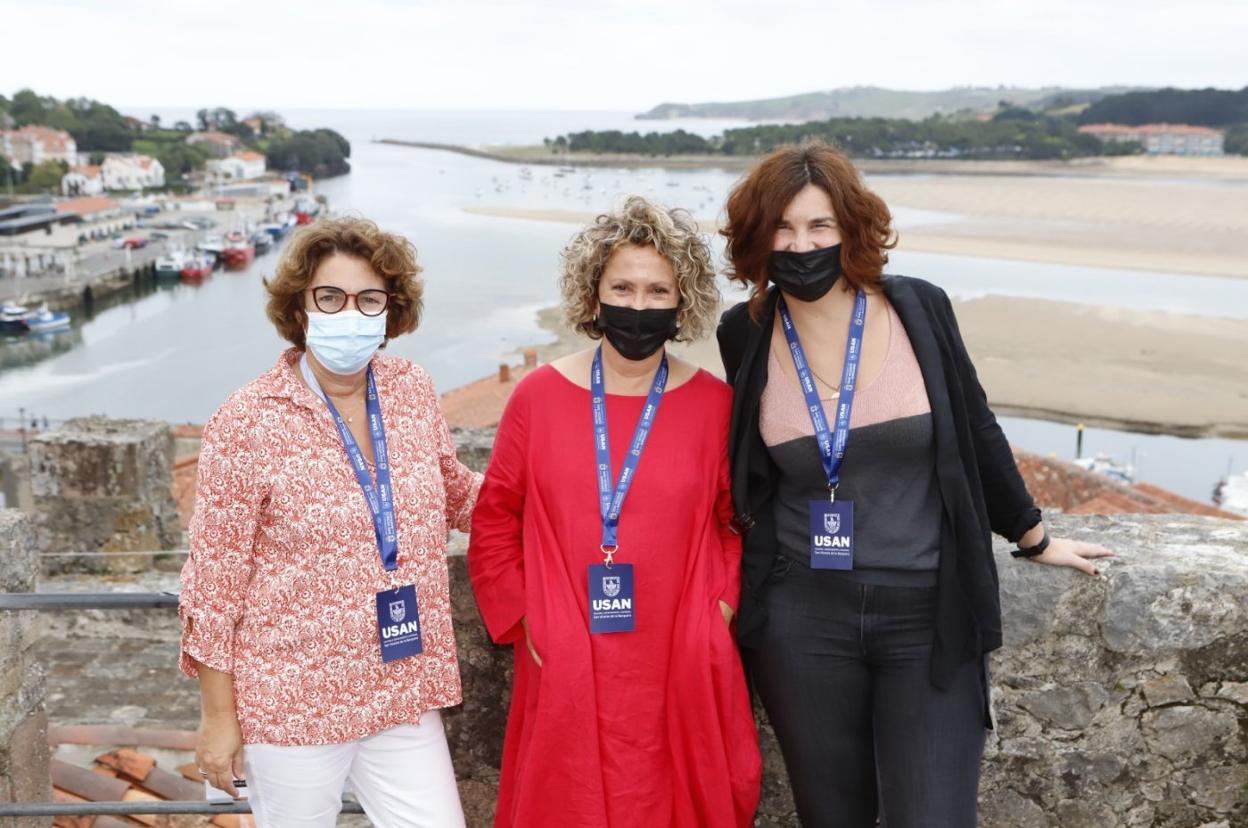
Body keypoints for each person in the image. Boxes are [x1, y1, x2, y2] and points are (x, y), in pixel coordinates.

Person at [716, 142, 1113, 827]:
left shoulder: (916, 308)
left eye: (818, 226)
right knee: (832, 815)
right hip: (803, 616)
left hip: (927, 613)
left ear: (850, 228)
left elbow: (975, 425)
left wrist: (1032, 532)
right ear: (758, 237)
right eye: (782, 227)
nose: (800, 243)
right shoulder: (744, 332)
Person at [468, 196, 762, 827]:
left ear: (683, 304)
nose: (638, 305)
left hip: (678, 652)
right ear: (592, 295)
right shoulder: (536, 397)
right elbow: (495, 519)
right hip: (568, 649)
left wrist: (720, 610)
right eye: (622, 286)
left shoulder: (715, 404)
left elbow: (733, 522)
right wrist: (526, 622)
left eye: (658, 290)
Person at [179, 216, 479, 828]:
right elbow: (214, 582)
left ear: (390, 310)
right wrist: (218, 718)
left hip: (402, 686)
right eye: (330, 297)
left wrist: (562, 494)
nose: (351, 312)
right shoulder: (248, 420)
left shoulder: (410, 388)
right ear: (300, 306)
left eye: (369, 299)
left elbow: (455, 492)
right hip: (293, 700)